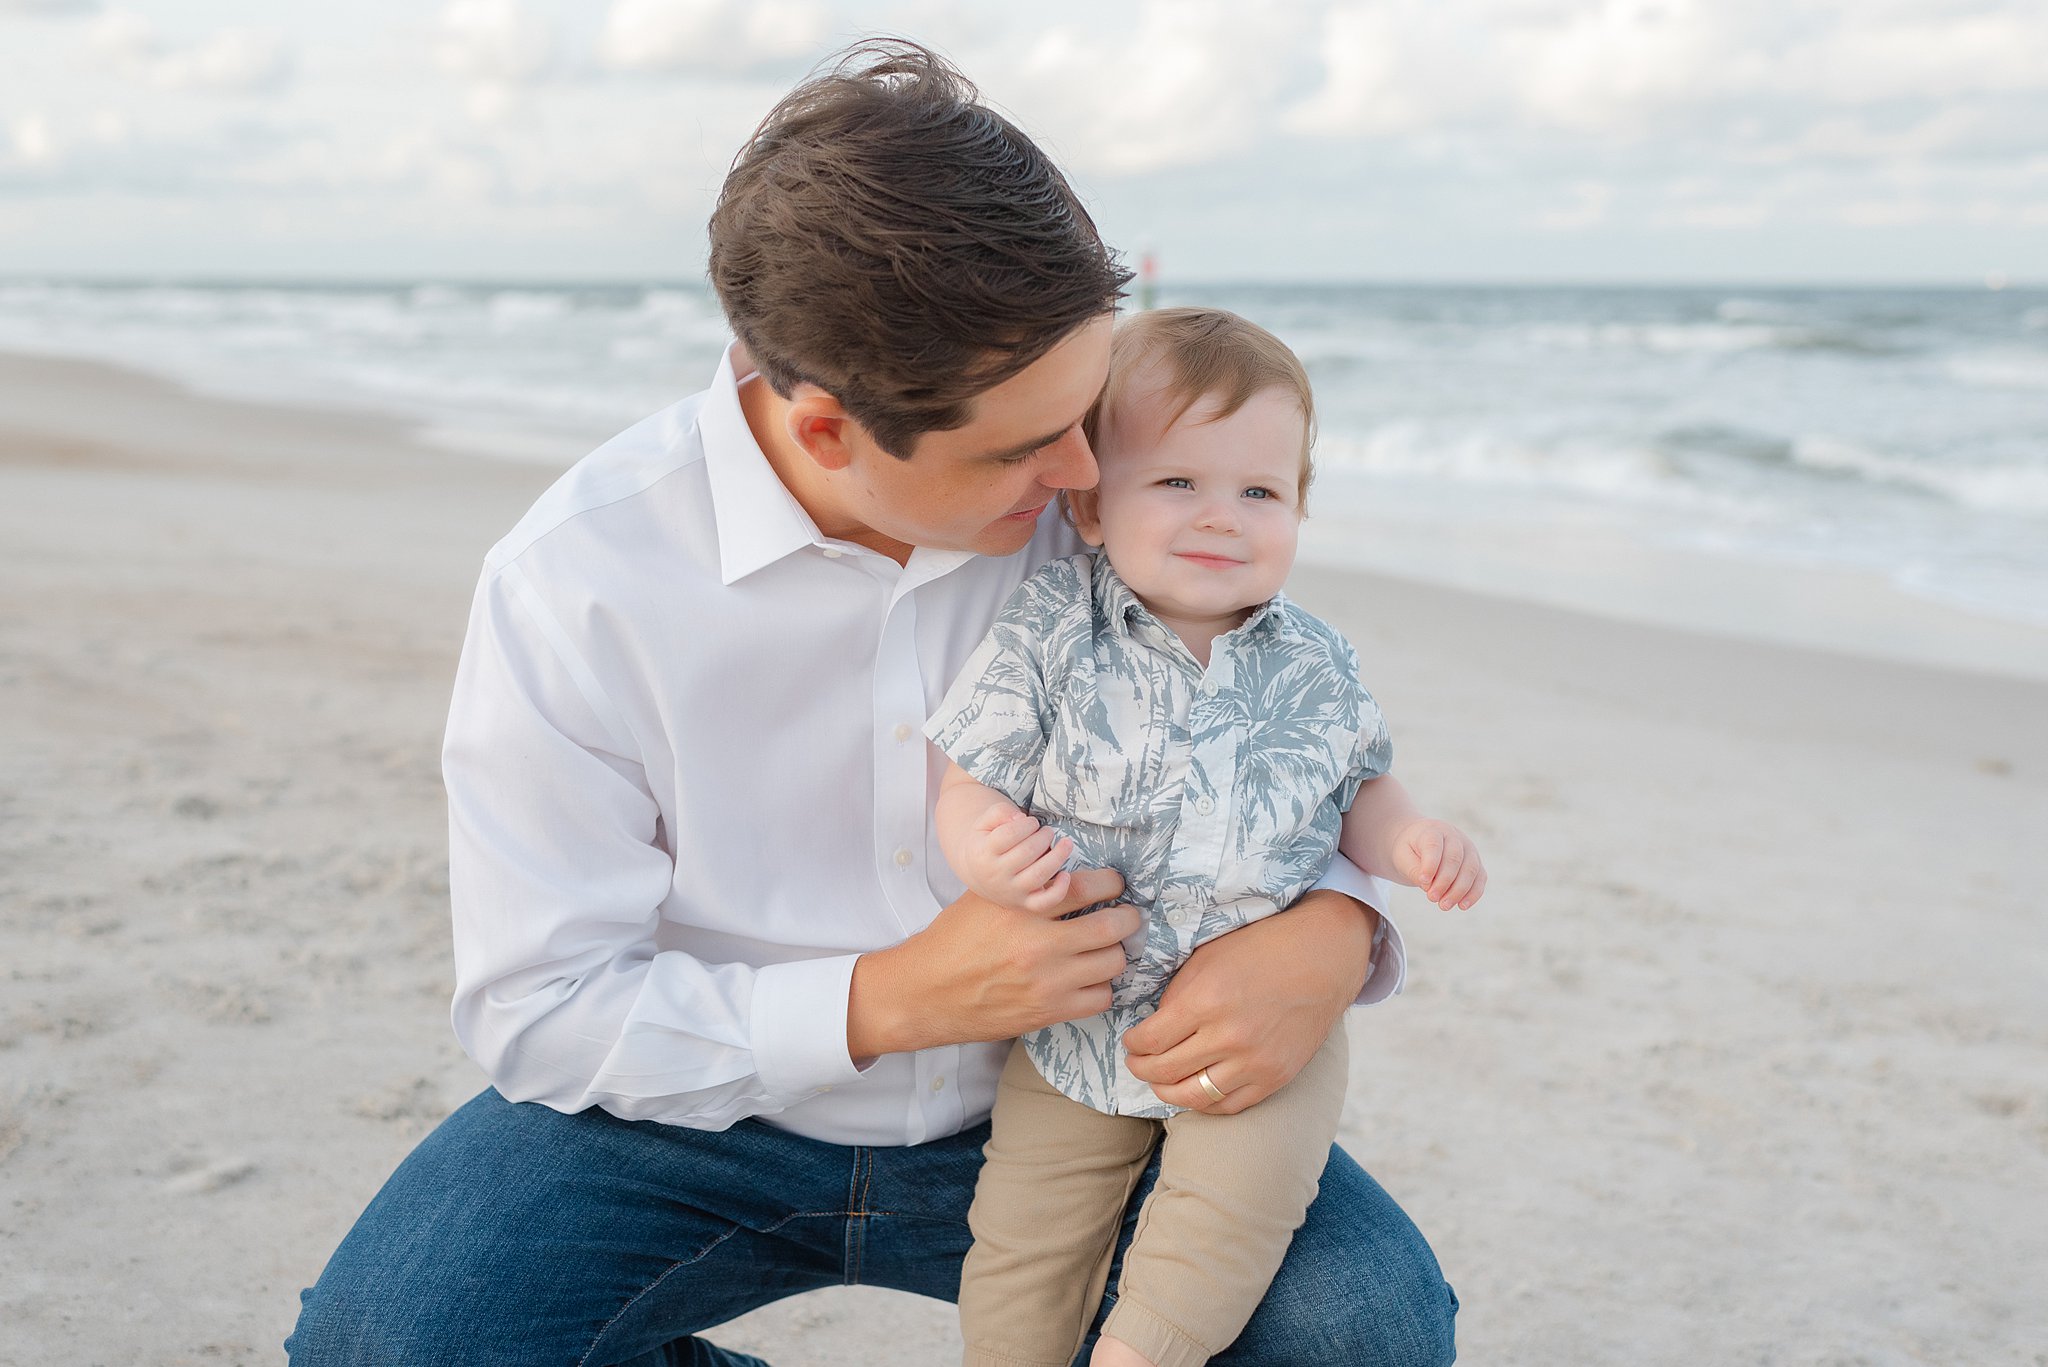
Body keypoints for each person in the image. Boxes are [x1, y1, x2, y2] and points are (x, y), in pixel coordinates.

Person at [285, 40, 1458, 1367]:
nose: (1083, 469)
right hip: (693, 1116)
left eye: (1084, 412)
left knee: (1361, 1326)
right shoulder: (579, 582)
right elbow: (540, 1007)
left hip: (1079, 1089)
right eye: (1023, 444)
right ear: (830, 426)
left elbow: (1293, 736)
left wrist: (1333, 933)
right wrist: (886, 999)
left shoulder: (1105, 501)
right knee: (391, 1344)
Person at [930, 308, 1484, 1367]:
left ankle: (1143, 1353)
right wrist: (983, 844)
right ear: (1090, 504)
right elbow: (969, 774)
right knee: (1023, 1238)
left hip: (1262, 1031)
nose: (1220, 516)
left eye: (1259, 491)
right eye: (1177, 482)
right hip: (1075, 1024)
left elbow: (1359, 782)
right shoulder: (1052, 623)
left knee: (1230, 1210)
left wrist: (1407, 837)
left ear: (1298, 508)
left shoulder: (1313, 657)